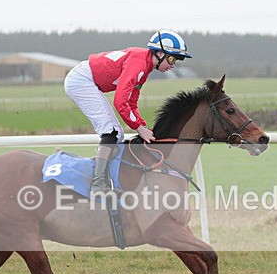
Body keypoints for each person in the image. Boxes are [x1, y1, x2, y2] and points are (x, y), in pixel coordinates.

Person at [64, 30, 192, 195]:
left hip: (86, 79)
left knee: (116, 135)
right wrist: (139, 128)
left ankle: (106, 178)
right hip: (81, 81)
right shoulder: (139, 64)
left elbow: (131, 101)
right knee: (111, 130)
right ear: (159, 53)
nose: (173, 65)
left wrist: (143, 126)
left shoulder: (145, 67)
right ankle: (98, 183)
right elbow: (120, 102)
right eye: (172, 58)